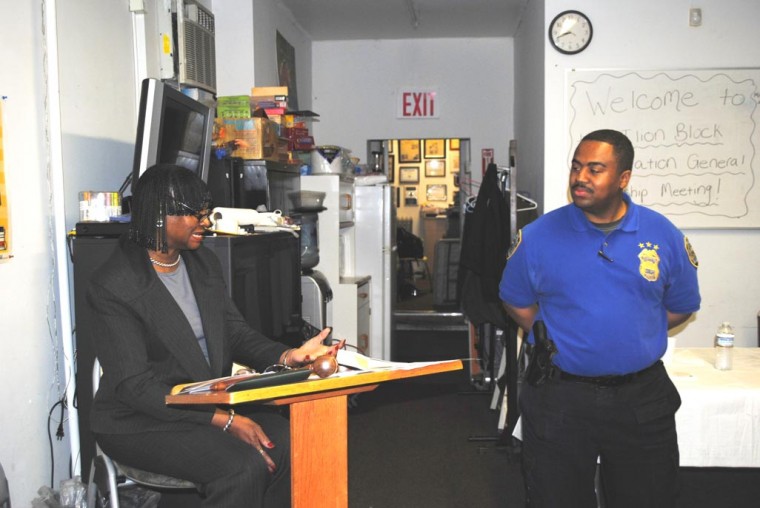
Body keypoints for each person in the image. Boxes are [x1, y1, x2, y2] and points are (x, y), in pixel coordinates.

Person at [87, 164, 342, 507]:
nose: (206, 223)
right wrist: (224, 420)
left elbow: (233, 334)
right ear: (161, 216)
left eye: (206, 214)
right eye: (197, 215)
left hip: (202, 406)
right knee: (241, 467)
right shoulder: (115, 284)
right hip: (139, 420)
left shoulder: (201, 262)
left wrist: (288, 356)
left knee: (292, 439)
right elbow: (137, 387)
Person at [499, 129, 701, 508]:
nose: (580, 178)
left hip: (641, 400)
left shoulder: (662, 235)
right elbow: (516, 301)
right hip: (560, 397)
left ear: (623, 178)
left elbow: (681, 305)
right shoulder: (539, 237)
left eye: (595, 169)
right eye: (576, 167)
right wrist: (551, 336)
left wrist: (634, 334)